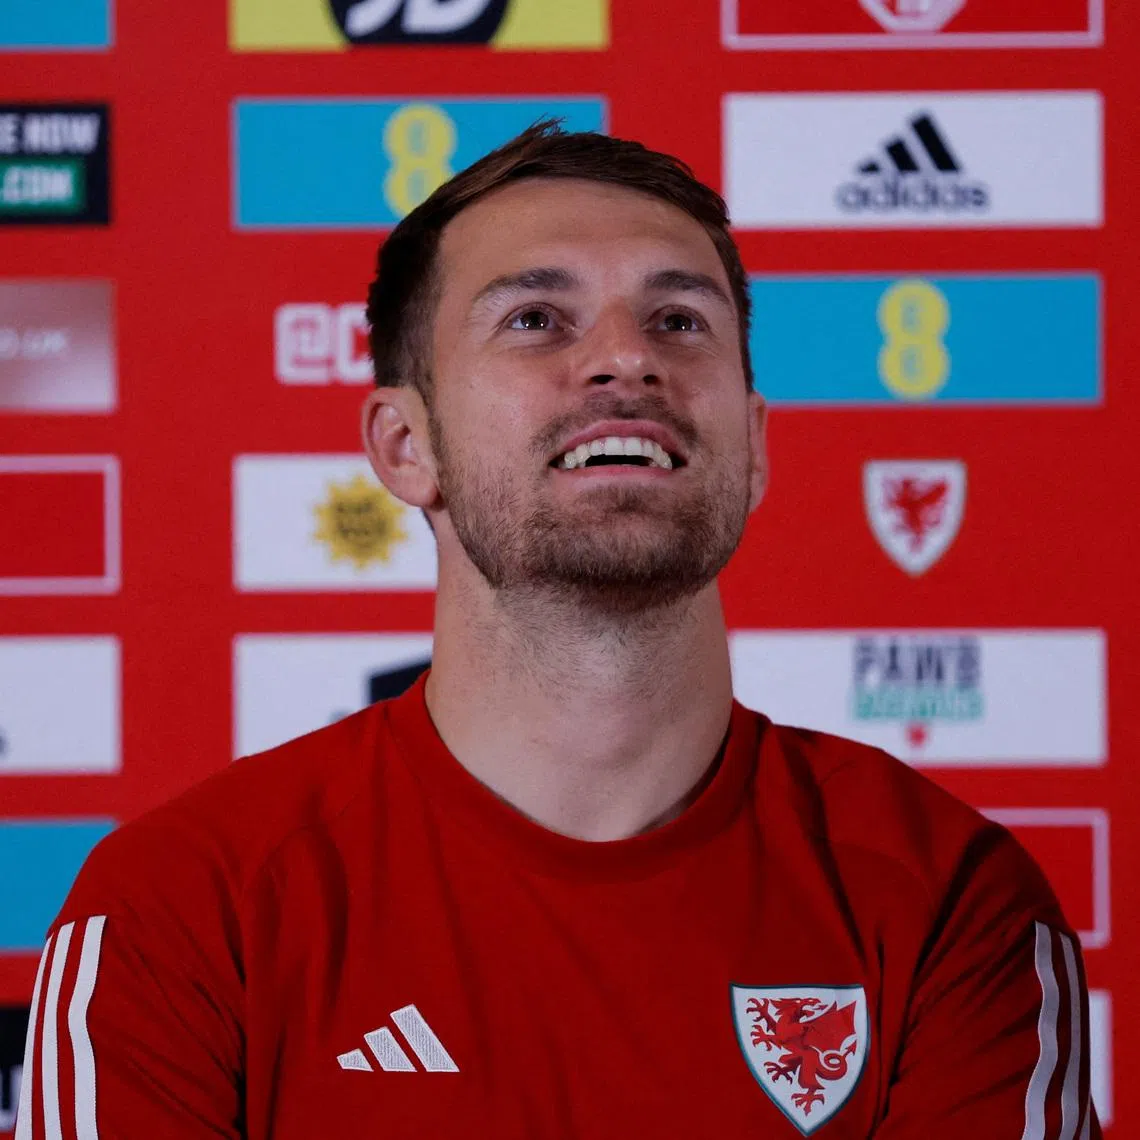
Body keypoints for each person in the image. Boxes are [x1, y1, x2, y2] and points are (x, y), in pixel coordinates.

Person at [16, 122, 1099, 1139]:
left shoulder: (949, 899)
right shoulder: (181, 911)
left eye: (680, 320)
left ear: (757, 445)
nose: (626, 361)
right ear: (405, 443)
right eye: (536, 319)